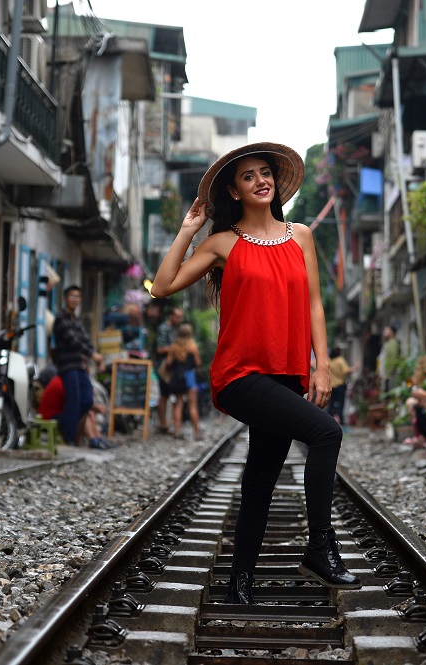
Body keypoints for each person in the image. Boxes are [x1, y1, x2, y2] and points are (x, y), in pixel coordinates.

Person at [150, 141, 360, 604]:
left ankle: (239, 580)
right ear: (235, 190)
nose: (261, 180)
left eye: (265, 172)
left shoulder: (300, 235)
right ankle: (320, 549)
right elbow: (162, 286)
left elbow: (314, 306)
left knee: (261, 477)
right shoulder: (223, 243)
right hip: (241, 374)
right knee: (326, 433)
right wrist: (189, 229)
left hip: (287, 373)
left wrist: (321, 366)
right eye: (249, 176)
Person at [52, 285, 111, 449]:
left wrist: (95, 355)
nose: (75, 299)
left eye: (77, 296)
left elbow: (85, 340)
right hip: (67, 366)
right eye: (72, 296)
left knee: (87, 399)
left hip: (79, 366)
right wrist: (92, 356)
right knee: (73, 400)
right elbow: (74, 341)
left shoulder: (76, 321)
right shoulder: (61, 319)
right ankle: (69, 435)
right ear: (65, 299)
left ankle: (65, 424)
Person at [164, 322, 202, 440]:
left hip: (177, 377)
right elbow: (198, 363)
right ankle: (196, 433)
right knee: (192, 405)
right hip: (189, 376)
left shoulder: (173, 347)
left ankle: (178, 431)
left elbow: (168, 363)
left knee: (178, 404)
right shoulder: (193, 347)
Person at [155, 306, 184, 434]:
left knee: (176, 395)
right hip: (164, 367)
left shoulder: (178, 329)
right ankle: (163, 424)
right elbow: (160, 348)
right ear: (171, 316)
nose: (179, 319)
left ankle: (173, 424)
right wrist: (174, 349)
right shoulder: (163, 328)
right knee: (164, 395)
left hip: (176, 368)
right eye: (177, 316)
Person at [326, 347, 357, 425]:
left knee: (331, 404)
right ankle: (341, 422)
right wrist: (355, 368)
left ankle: (328, 421)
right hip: (340, 386)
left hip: (331, 386)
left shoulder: (330, 361)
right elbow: (345, 371)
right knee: (340, 404)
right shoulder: (340, 360)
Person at [376, 325, 401, 392]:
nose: (384, 331)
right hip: (385, 373)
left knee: (389, 392)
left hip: (389, 374)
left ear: (392, 332)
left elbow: (393, 358)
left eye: (387, 330)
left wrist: (389, 372)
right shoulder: (388, 343)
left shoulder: (393, 343)